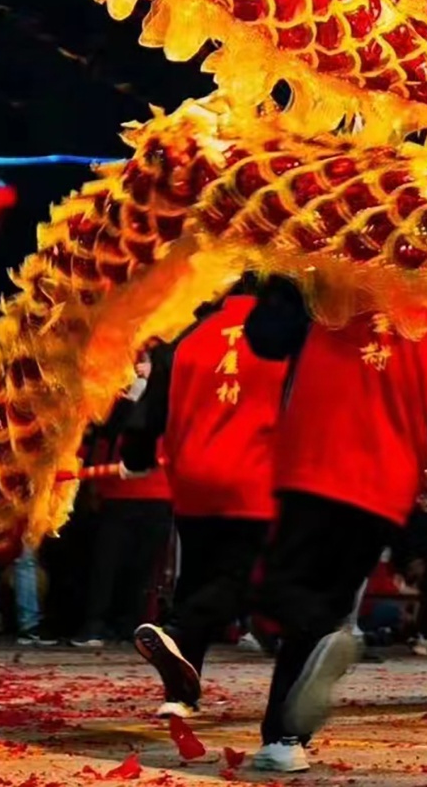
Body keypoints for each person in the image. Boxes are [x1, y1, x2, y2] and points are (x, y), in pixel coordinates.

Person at [243, 278, 427, 774]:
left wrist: (278, 279)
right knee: (322, 604)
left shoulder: (323, 284)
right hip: (385, 488)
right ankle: (285, 738)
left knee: (281, 595)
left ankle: (295, 707)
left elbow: (265, 338)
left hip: (312, 468)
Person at [125, 291, 286, 715]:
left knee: (197, 577)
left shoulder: (188, 336)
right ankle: (176, 630)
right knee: (240, 580)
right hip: (254, 476)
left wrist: (135, 459)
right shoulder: (280, 333)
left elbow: (149, 411)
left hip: (193, 479)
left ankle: (180, 694)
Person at [71, 364, 174, 649]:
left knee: (141, 569)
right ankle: (96, 624)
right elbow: (101, 441)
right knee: (106, 566)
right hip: (118, 495)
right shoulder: (116, 402)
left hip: (157, 495)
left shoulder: (168, 402)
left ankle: (129, 625)